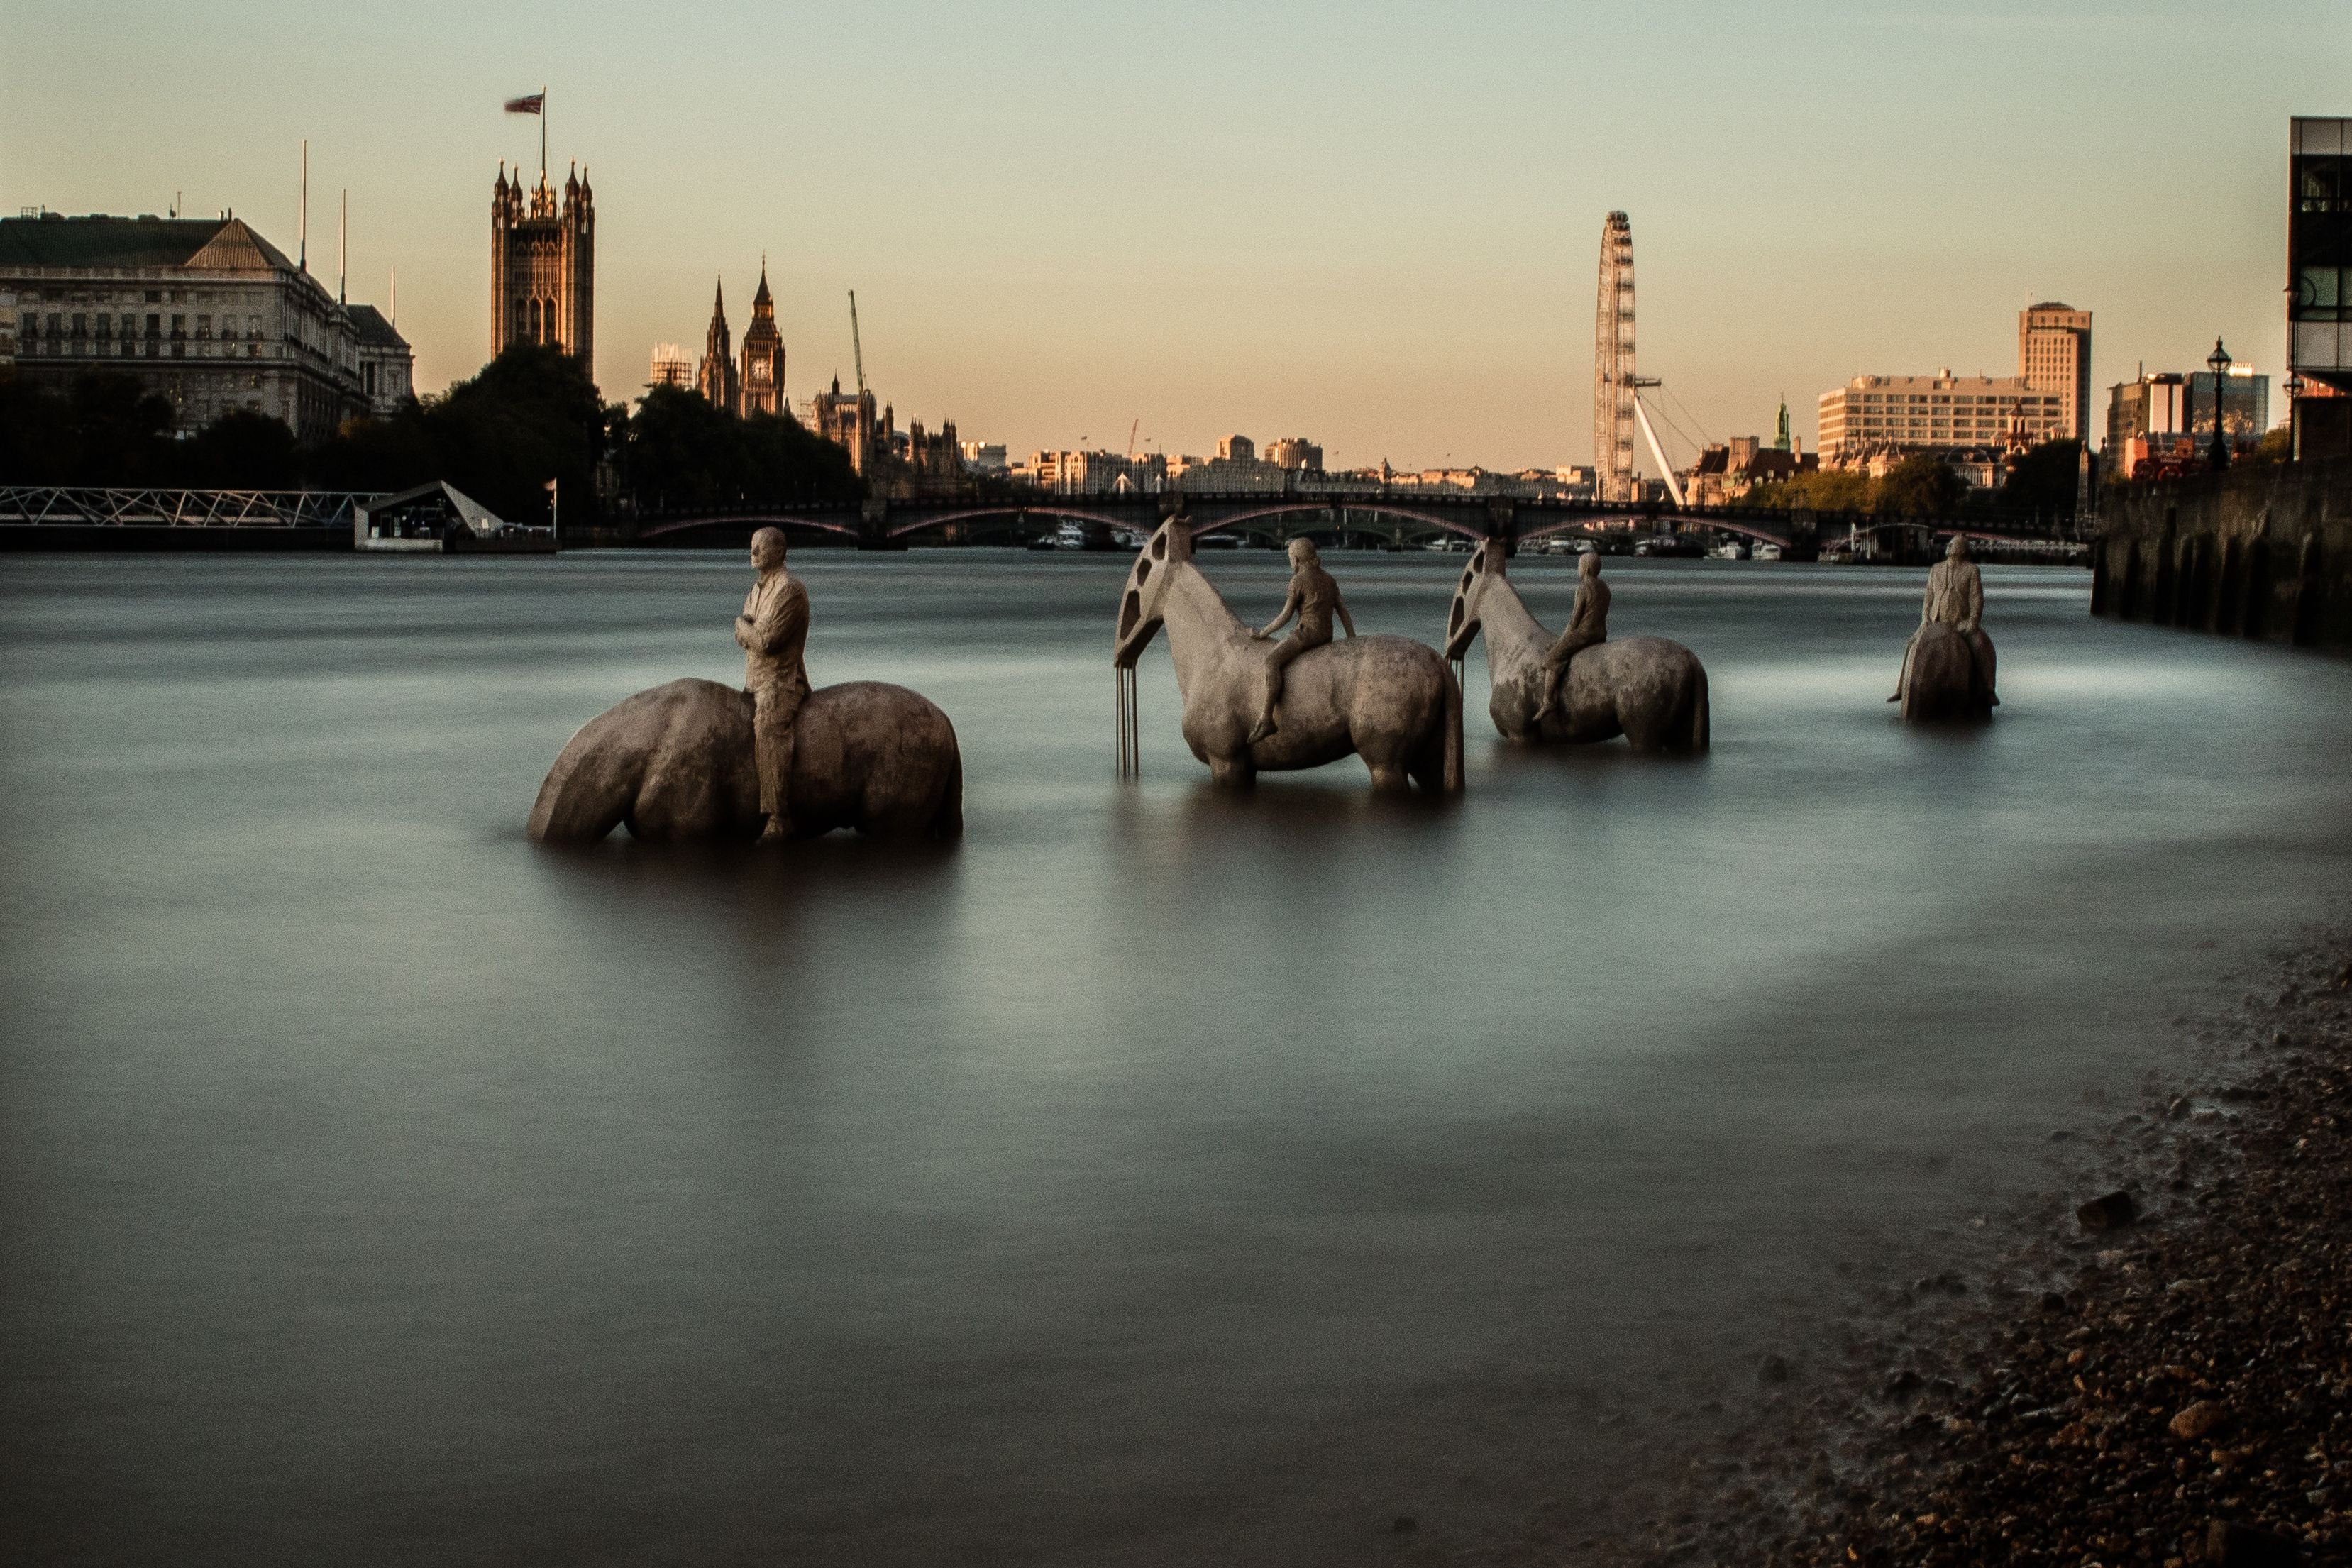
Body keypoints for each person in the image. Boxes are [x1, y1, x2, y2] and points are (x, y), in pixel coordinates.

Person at [734, 526, 812, 843]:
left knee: (769, 727)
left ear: (779, 553)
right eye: (752, 547)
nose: (753, 554)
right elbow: (752, 636)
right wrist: (748, 631)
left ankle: (779, 817)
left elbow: (765, 641)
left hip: (781, 681)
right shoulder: (755, 591)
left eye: (760, 548)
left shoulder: (790, 590)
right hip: (754, 680)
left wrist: (742, 627)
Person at [1247, 537, 1355, 744]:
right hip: (1326, 636)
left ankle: (1267, 717)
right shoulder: (1329, 579)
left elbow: (1286, 616)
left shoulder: (1297, 581)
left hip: (1306, 636)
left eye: (1290, 558)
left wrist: (1262, 632)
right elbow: (1343, 612)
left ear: (1296, 560)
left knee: (1271, 661)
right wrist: (1352, 639)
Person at [1891, 532, 1994, 704]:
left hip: (1960, 622)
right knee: (1910, 644)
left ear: (1962, 550)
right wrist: (1925, 619)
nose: (1949, 547)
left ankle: (1989, 690)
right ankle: (1902, 688)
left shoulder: (1971, 570)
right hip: (1935, 620)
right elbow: (1928, 598)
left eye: (1953, 544)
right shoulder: (1936, 569)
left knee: (1981, 645)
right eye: (1950, 544)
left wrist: (1973, 621)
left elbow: (1976, 598)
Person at [1531, 549, 1611, 724]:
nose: (1578, 569)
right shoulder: (1605, 587)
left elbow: (1574, 621)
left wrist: (1563, 639)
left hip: (1584, 634)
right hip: (1601, 634)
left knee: (1552, 658)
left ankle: (1548, 700)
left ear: (1587, 569)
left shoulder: (1583, 588)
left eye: (1579, 565)